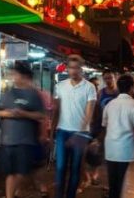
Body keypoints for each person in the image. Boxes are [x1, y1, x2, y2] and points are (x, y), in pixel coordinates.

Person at [0, 62, 45, 198]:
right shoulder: (8, 93)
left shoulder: (34, 95)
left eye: (15, 74)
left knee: (22, 172)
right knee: (11, 173)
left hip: (26, 140)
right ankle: (11, 195)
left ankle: (13, 194)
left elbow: (41, 115)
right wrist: (9, 113)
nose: (12, 77)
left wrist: (24, 114)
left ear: (23, 76)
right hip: (7, 140)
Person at [52, 55, 98, 198]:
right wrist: (51, 129)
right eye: (70, 67)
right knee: (60, 167)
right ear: (67, 69)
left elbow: (89, 113)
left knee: (76, 168)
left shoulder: (89, 87)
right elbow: (56, 110)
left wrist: (80, 132)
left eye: (76, 68)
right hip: (62, 131)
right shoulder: (59, 86)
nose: (73, 71)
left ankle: (71, 195)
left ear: (81, 69)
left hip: (81, 133)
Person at [100, 74, 134, 198]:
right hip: (128, 152)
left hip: (111, 150)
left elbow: (104, 126)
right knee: (127, 187)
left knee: (113, 186)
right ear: (132, 88)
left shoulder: (109, 105)